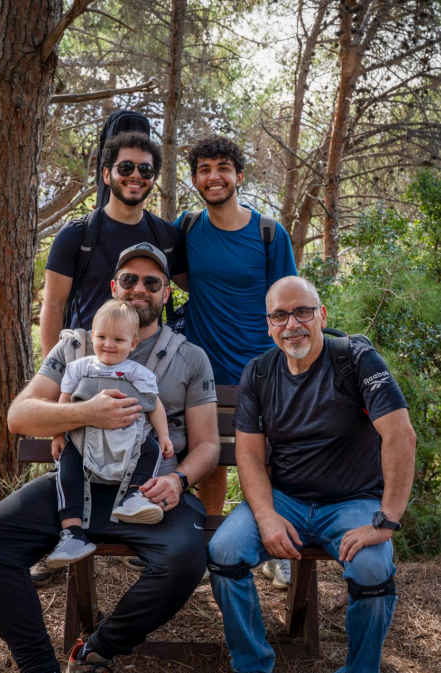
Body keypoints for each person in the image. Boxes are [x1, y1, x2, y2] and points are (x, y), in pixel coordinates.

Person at [0, 244, 219, 673]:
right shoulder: (75, 347)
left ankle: (97, 649)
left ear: (166, 294)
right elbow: (19, 416)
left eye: (152, 282)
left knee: (185, 560)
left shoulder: (189, 357)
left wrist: (178, 480)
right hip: (74, 485)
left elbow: (208, 445)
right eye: (130, 279)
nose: (139, 288)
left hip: (147, 491)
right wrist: (85, 413)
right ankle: (38, 665)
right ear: (113, 286)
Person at [208, 276, 416, 673]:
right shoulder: (259, 373)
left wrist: (387, 520)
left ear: (321, 314)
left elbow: (400, 436)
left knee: (372, 573)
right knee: (224, 554)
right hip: (285, 499)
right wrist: (266, 516)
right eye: (280, 316)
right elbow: (249, 454)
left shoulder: (356, 360)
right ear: (269, 324)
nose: (292, 325)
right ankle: (252, 664)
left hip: (353, 501)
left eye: (302, 312)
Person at [173, 134, 297, 587]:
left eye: (223, 168)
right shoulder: (187, 228)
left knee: (270, 461)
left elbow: (287, 300)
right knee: (211, 461)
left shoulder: (268, 233)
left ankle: (273, 548)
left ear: (239, 176)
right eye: (204, 169)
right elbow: (177, 277)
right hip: (203, 371)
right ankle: (207, 548)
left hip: (263, 371)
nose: (214, 177)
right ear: (195, 180)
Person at [46, 298, 174, 568]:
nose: (108, 344)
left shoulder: (137, 373)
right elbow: (64, 402)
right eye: (102, 337)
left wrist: (163, 435)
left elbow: (154, 404)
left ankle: (134, 497)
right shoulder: (80, 367)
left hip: (126, 442)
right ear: (92, 336)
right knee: (67, 463)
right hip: (85, 441)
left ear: (133, 344)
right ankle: (72, 533)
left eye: (118, 339)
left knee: (150, 449)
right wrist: (57, 434)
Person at [40, 131, 187, 357]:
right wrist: (55, 369)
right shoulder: (76, 235)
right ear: (107, 175)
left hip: (148, 366)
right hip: (86, 363)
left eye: (145, 170)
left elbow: (202, 287)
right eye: (126, 168)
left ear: (154, 179)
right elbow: (53, 306)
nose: (136, 175)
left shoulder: (168, 237)